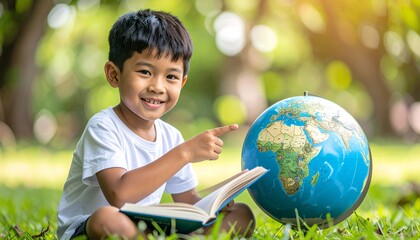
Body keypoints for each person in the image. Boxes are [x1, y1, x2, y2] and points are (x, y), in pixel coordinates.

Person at [57, 9, 255, 239]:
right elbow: (120, 194)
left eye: (170, 77)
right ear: (114, 74)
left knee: (242, 214)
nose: (157, 87)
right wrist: (185, 153)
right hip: (90, 228)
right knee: (106, 218)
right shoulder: (103, 126)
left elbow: (189, 202)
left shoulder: (170, 136)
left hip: (144, 227)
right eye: (145, 72)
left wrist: (219, 201)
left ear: (182, 83)